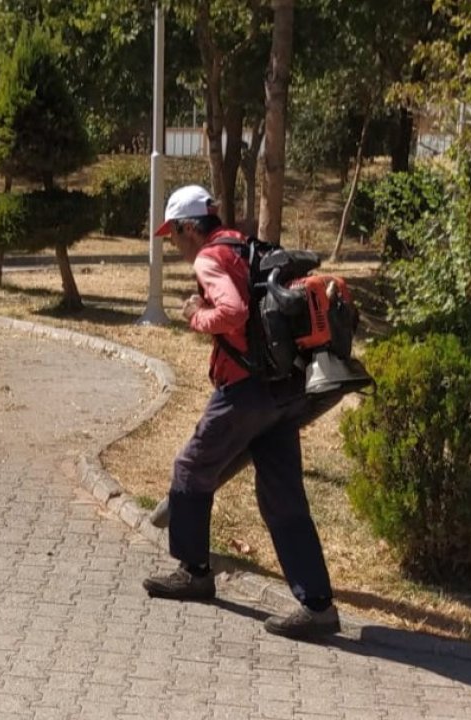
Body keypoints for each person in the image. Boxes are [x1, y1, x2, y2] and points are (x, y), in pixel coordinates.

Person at [141, 184, 340, 640]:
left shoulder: (210, 257)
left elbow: (231, 311)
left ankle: (194, 572)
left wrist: (196, 314)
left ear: (191, 228)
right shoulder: (246, 246)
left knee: (191, 467)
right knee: (282, 495)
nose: (173, 244)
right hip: (285, 388)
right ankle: (317, 606)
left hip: (246, 389)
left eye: (173, 235)